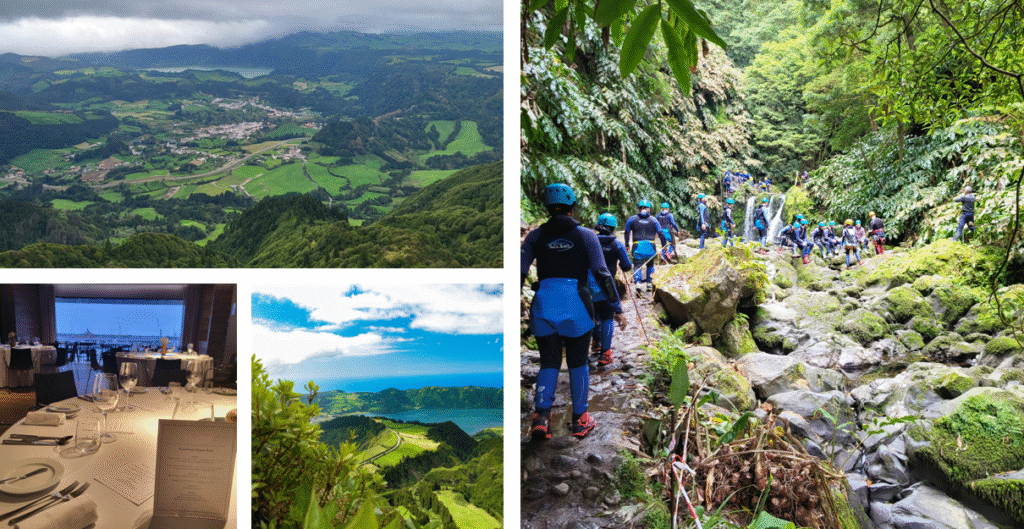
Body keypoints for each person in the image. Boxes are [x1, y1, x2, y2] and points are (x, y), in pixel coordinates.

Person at [521, 184, 618, 440]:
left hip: (544, 305)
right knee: (578, 363)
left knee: (549, 361)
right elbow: (602, 273)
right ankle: (579, 420)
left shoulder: (533, 237)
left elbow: (520, 273)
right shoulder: (587, 236)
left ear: (546, 208)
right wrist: (615, 306)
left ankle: (541, 417)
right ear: (573, 208)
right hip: (577, 306)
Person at [591, 213, 631, 366]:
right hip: (607, 286)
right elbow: (627, 266)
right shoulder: (617, 244)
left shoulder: (590, 240)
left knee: (594, 316)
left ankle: (597, 342)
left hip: (588, 285)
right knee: (607, 317)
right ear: (613, 228)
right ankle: (605, 354)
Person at [625, 199, 659, 290]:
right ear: (649, 209)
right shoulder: (654, 220)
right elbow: (660, 232)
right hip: (650, 246)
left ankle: (638, 283)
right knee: (650, 265)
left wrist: (627, 244)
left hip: (637, 246)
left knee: (637, 266)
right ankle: (649, 283)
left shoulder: (632, 219)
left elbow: (627, 232)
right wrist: (664, 246)